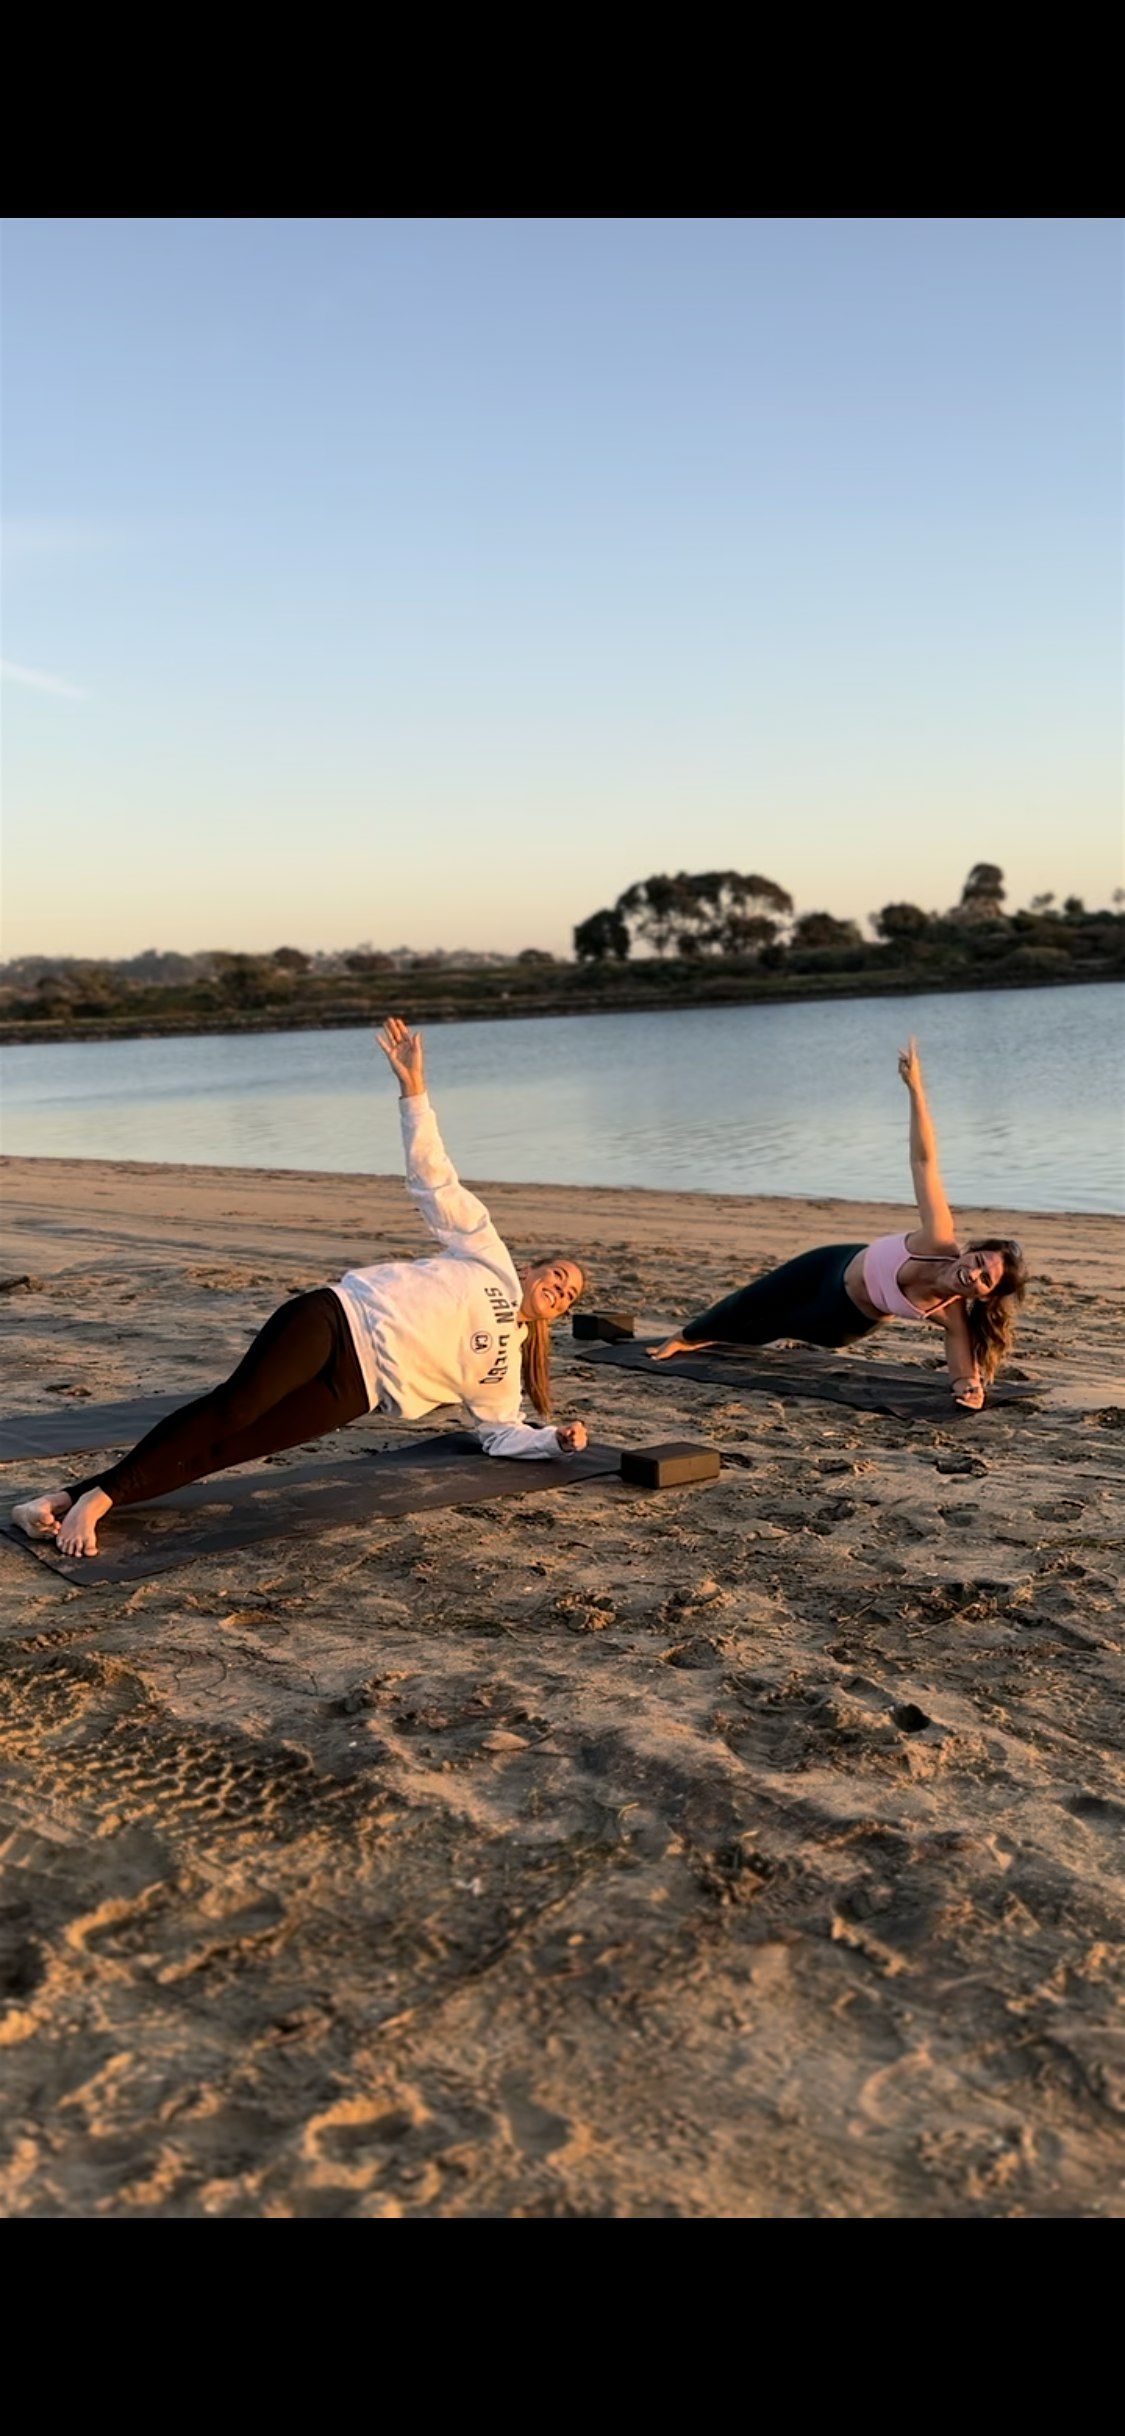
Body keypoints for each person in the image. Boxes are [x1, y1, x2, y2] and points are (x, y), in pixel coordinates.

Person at [13, 1018, 588, 1559]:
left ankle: (58, 1501)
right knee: (234, 1407)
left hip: (357, 1390)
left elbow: (500, 1433)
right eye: (557, 1275)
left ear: (556, 1316)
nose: (560, 1290)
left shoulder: (504, 1372)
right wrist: (414, 1087)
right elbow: (434, 1179)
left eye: (569, 1296)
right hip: (337, 1321)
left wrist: (554, 1440)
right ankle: (100, 1501)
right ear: (533, 1270)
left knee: (229, 1449)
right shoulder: (490, 1259)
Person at [651, 1037, 1028, 1408]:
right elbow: (924, 1162)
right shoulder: (937, 1239)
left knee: (768, 1326)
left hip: (839, 1317)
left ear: (986, 1296)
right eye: (978, 1263)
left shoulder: (950, 1312)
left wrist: (969, 1389)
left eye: (985, 1281)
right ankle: (686, 1337)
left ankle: (718, 1338)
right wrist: (915, 1089)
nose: (973, 1275)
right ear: (971, 1252)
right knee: (752, 1298)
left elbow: (963, 1369)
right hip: (835, 1262)